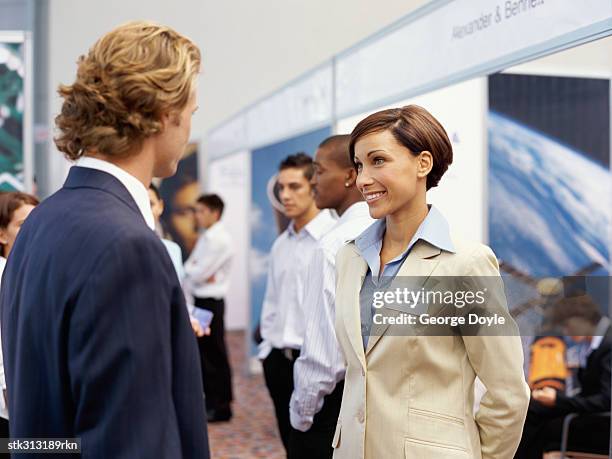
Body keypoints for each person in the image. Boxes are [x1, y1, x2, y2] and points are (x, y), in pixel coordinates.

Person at [0, 22, 209, 458]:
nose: (189, 125)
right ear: (162, 112)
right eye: (191, 110)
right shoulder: (124, 245)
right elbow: (131, 443)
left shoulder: (43, 219)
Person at [331, 105, 530, 458]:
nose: (362, 179)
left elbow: (508, 392)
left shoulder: (466, 264)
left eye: (378, 161)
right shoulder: (350, 258)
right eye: (359, 165)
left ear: (423, 164)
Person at [289, 135, 374, 459]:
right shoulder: (390, 233)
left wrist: (301, 414)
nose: (313, 181)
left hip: (333, 404)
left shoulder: (332, 244)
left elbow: (324, 359)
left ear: (350, 176)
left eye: (319, 171)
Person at [259, 153, 336, 454]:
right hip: (280, 363)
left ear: (313, 187)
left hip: (322, 370)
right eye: (281, 188)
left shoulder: (335, 239)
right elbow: (272, 303)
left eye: (294, 187)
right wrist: (268, 352)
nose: (285, 195)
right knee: (291, 448)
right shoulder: (281, 244)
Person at [515, 294, 611, 458]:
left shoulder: (607, 344)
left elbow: (606, 400)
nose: (566, 332)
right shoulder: (598, 344)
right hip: (595, 418)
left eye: (567, 325)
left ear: (581, 318)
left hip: (602, 425)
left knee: (536, 423)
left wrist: (558, 400)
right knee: (533, 409)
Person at [184, 193, 234, 422]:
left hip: (211, 303)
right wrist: (197, 271)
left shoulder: (218, 239)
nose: (197, 215)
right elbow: (190, 268)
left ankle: (221, 406)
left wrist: (198, 271)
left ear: (215, 213)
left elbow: (197, 272)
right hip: (203, 300)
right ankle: (214, 403)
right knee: (207, 354)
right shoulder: (208, 237)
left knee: (213, 355)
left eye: (201, 211)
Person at [0, 191, 39, 439]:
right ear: (2, 234)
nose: (34, 232)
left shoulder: (28, 273)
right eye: (24, 225)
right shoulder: (5, 277)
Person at [149, 183, 204, 338]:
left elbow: (180, 293)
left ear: (160, 206)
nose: (145, 210)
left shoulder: (172, 249)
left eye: (150, 204)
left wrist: (190, 318)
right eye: (185, 212)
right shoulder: (122, 247)